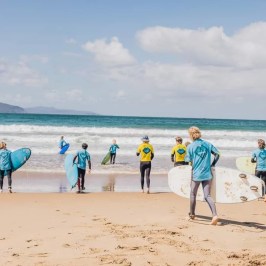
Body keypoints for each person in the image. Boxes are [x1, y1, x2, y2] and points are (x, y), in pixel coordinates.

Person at [185, 127, 220, 225]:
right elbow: (217, 154)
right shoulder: (208, 144)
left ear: (191, 135)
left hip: (196, 174)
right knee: (207, 195)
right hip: (207, 173)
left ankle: (192, 214)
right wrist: (212, 164)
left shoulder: (190, 147)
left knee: (193, 194)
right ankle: (215, 215)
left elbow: (187, 161)